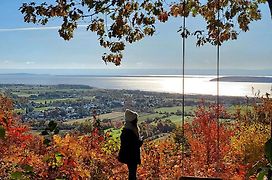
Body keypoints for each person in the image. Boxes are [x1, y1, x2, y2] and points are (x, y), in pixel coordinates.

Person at [118, 109, 143, 180]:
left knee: (132, 173)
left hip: (128, 155)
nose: (137, 120)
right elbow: (134, 145)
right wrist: (140, 141)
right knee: (132, 174)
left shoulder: (127, 129)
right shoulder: (130, 131)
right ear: (133, 120)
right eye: (136, 119)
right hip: (131, 156)